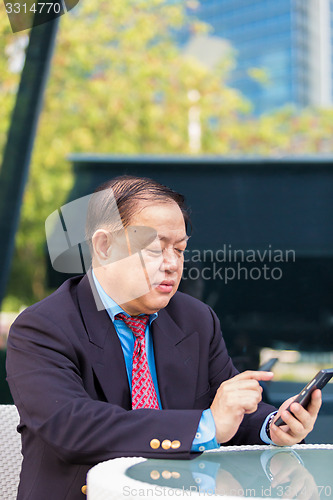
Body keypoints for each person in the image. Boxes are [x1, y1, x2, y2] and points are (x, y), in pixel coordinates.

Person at [6, 176, 321, 500]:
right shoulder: (42, 328)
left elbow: (230, 411)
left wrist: (273, 426)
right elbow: (73, 427)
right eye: (156, 249)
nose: (172, 264)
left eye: (180, 249)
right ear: (103, 247)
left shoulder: (195, 319)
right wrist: (207, 426)